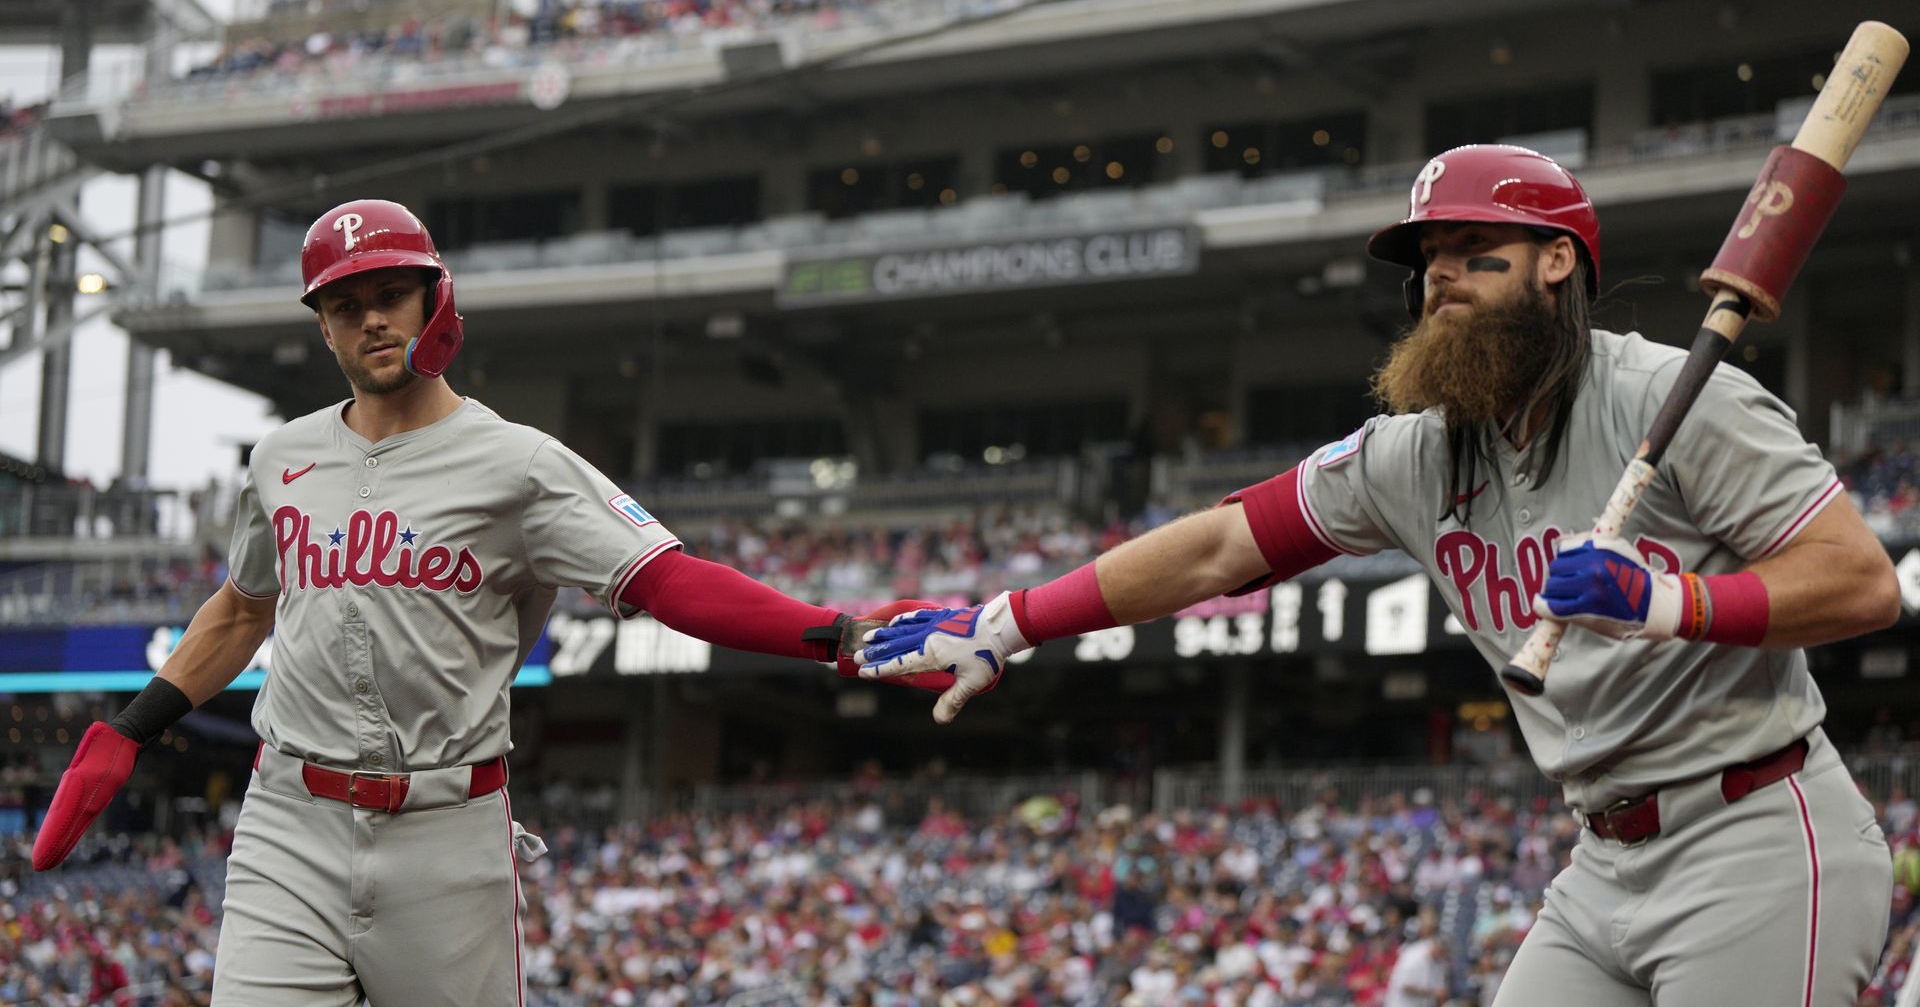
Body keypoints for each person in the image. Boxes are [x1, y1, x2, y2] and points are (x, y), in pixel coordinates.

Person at [857, 144, 1900, 1005]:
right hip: (1603, 858)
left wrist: (1672, 600)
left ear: (1555, 264)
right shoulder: (1416, 453)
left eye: (1474, 249)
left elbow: (1862, 584)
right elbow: (1224, 545)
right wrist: (1010, 620)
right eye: (1429, 258)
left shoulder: (1677, 399)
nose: (1440, 274)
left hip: (1758, 834)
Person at [29, 198, 944, 1006]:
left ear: (435, 299)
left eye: (391, 293)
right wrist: (129, 730)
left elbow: (666, 577)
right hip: (287, 817)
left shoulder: (520, 463)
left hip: (445, 831)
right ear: (323, 329)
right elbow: (241, 610)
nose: (372, 318)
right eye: (346, 304)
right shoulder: (281, 458)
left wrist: (839, 635)